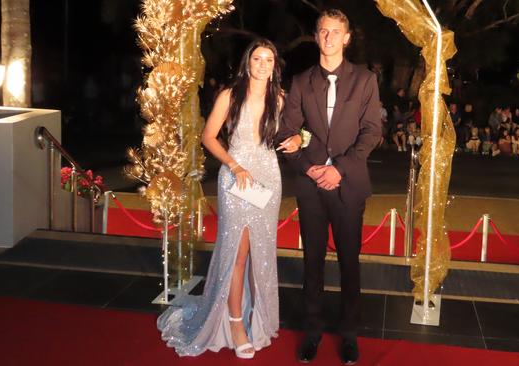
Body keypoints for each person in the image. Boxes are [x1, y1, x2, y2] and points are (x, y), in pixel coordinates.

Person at [157, 39, 298, 359]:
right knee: (237, 252)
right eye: (257, 58)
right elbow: (209, 136)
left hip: (268, 180)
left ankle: (257, 319)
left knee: (261, 253)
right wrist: (235, 165)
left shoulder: (280, 98)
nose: (263, 64)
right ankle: (235, 323)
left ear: (275, 65)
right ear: (248, 62)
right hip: (236, 179)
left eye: (269, 59)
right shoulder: (229, 95)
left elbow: (290, 134)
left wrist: (295, 141)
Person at [276, 9, 381, 365]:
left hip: (348, 185)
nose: (329, 37)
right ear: (316, 36)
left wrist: (340, 169)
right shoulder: (302, 81)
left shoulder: (365, 79)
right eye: (323, 31)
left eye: (335, 32)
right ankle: (313, 332)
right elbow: (286, 132)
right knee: (313, 264)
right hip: (311, 186)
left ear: (347, 38)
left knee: (350, 264)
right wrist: (308, 169)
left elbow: (371, 132)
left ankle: (349, 335)